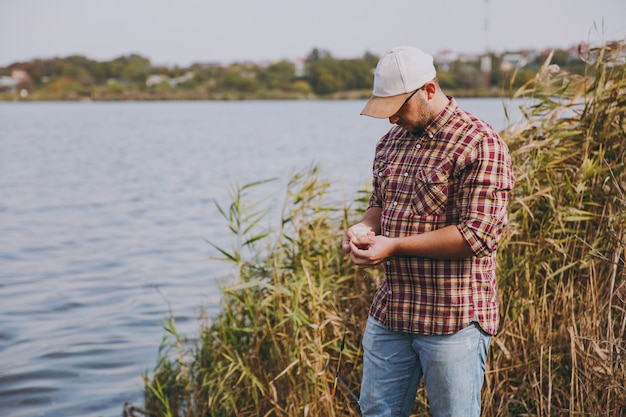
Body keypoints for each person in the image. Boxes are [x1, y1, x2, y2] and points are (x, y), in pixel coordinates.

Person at [342, 46, 515, 417]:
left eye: (397, 109)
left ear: (429, 90)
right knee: (375, 412)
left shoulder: (479, 143)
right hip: (392, 313)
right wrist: (365, 228)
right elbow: (379, 203)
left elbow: (477, 236)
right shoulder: (390, 142)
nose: (390, 121)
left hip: (452, 319)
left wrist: (394, 247)